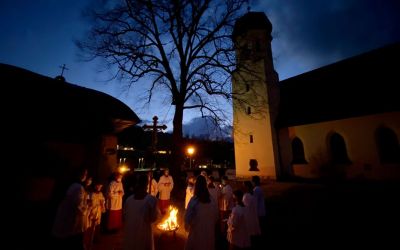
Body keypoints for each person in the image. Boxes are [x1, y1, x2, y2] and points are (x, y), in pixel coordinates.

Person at [52, 168, 88, 250]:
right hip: (71, 219)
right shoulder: (78, 187)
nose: (86, 176)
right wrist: (85, 210)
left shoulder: (69, 184)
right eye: (85, 174)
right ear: (80, 175)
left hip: (64, 216)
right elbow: (78, 205)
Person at [123, 173, 160, 250]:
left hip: (130, 232)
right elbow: (153, 218)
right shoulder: (151, 200)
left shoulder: (128, 200)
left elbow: (125, 215)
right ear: (147, 184)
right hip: (144, 232)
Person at [184, 175, 219, 250]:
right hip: (209, 234)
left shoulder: (194, 201)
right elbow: (216, 217)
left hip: (197, 235)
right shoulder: (212, 200)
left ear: (196, 186)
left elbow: (187, 219)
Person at [243, 181, 261, 249]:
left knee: (249, 233)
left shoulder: (247, 196)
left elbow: (245, 208)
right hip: (253, 214)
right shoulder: (252, 194)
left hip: (248, 216)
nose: (242, 187)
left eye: (243, 186)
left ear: (247, 187)